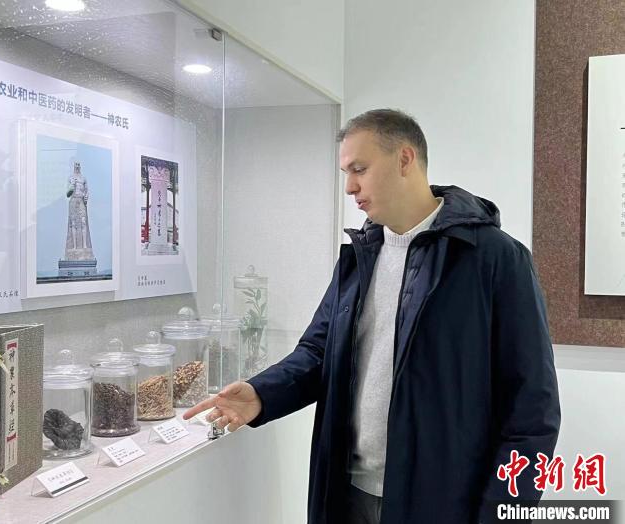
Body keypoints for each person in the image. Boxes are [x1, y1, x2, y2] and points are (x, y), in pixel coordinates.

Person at [184, 109, 561, 524]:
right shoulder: (361, 255)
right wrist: (262, 394)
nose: (350, 187)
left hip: (445, 504)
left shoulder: (494, 258)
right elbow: (319, 352)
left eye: (359, 169)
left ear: (404, 159)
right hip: (348, 494)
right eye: (346, 173)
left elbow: (532, 411)